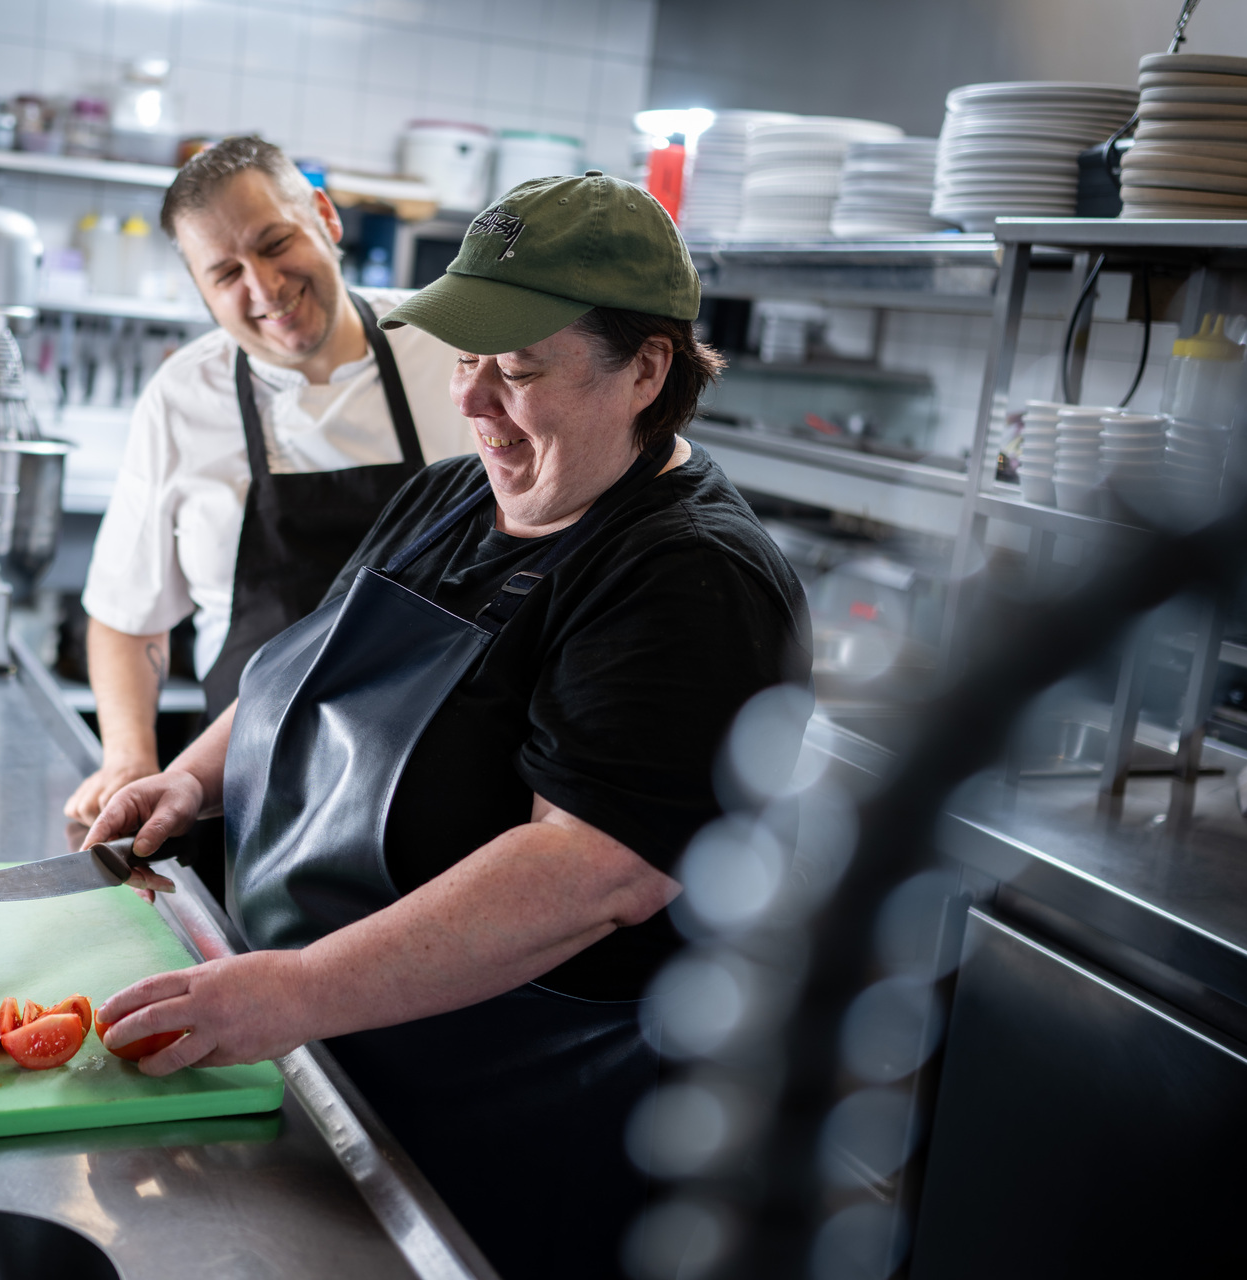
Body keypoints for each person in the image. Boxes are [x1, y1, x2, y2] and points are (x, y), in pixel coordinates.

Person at [83, 172, 811, 1276]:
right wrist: (190, 778)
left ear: (647, 370)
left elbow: (590, 870)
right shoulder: (459, 492)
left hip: (519, 1131)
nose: (475, 401)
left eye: (516, 370)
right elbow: (310, 668)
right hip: (352, 1071)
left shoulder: (687, 577)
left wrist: (294, 989)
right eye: (466, 360)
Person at [64, 137, 474, 847]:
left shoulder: (449, 353)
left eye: (275, 243)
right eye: (225, 273)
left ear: (324, 217)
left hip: (439, 791)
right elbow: (126, 617)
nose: (263, 288)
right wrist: (130, 758)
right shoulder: (183, 398)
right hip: (251, 800)